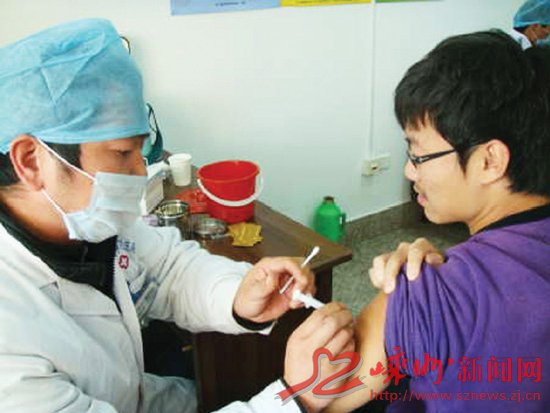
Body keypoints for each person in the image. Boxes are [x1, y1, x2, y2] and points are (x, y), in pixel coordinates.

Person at [0, 19, 355, 413]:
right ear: (31, 160)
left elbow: (169, 269)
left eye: (140, 150)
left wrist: (238, 296)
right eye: (122, 153)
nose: (140, 171)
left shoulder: (85, 219)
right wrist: (295, 399)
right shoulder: (9, 341)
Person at [325, 30, 550, 412]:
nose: (410, 172)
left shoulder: (429, 296)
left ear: (490, 161)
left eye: (418, 154)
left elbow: (325, 395)